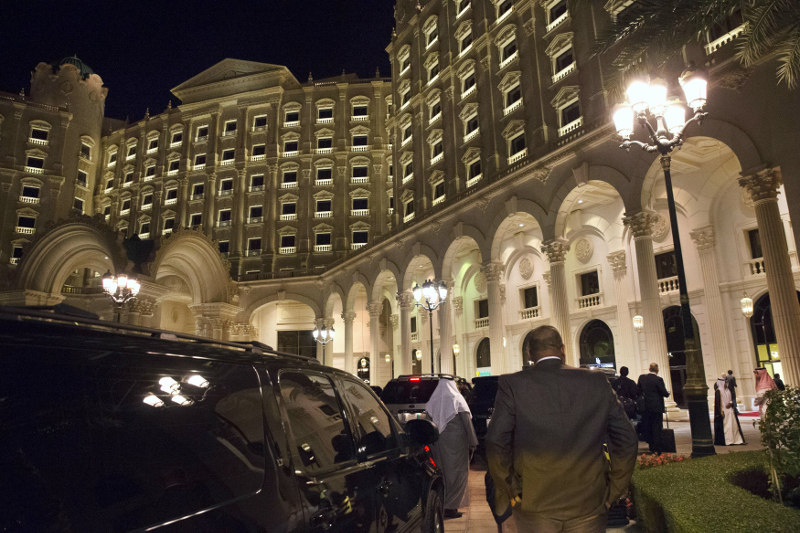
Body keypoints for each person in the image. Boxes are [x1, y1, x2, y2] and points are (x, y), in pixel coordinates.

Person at [486, 326, 637, 532]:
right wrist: (614, 490)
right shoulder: (596, 381)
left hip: (534, 502)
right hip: (589, 501)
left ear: (529, 354)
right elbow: (627, 439)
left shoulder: (513, 384)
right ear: (563, 349)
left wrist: (510, 491)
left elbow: (495, 442)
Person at [425, 378, 477, 519]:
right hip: (457, 446)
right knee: (458, 475)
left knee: (442, 474)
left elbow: (428, 423)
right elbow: (467, 423)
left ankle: (442, 504)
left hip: (438, 445)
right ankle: (451, 507)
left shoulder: (433, 401)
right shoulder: (458, 400)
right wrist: (473, 442)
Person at [637, 363, 670, 454]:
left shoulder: (642, 378)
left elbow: (638, 390)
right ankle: (657, 448)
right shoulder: (658, 379)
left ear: (649, 369)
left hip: (645, 407)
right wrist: (668, 393)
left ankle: (651, 446)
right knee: (657, 427)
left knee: (648, 426)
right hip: (656, 407)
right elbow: (664, 392)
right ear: (657, 370)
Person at [713, 374, 745, 446]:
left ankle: (736, 440)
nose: (726, 384)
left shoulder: (728, 390)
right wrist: (721, 412)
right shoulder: (718, 391)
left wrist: (731, 404)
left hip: (730, 411)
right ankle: (728, 441)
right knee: (727, 427)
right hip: (723, 412)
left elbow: (731, 400)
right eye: (725, 382)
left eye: (727, 382)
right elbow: (717, 403)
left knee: (734, 426)